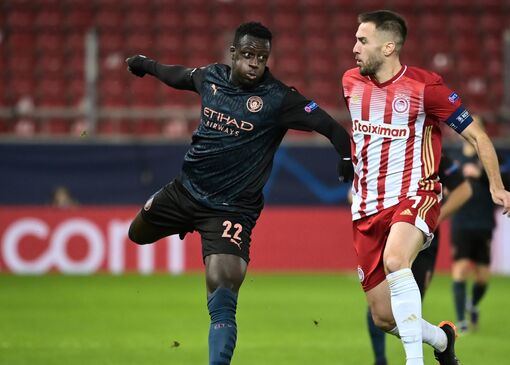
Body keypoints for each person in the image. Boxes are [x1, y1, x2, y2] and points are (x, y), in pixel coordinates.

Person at [125, 22, 353, 365]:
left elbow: (330, 126)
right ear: (233, 54)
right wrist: (145, 65)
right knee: (136, 235)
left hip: (230, 211)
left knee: (222, 290)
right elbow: (178, 75)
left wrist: (346, 157)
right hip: (184, 191)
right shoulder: (212, 77)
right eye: (247, 55)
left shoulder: (280, 99)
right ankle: (183, 224)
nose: (254, 63)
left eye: (262, 57)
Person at [342, 10, 510, 365]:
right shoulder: (350, 82)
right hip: (366, 207)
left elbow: (477, 134)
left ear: (389, 46)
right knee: (382, 316)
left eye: (363, 40)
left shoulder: (426, 88)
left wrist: (496, 187)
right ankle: (441, 339)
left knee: (396, 260)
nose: (354, 48)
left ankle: (413, 361)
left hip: (415, 195)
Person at [364, 155, 473, 365]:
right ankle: (382, 360)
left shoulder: (434, 154)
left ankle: (425, 352)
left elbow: (463, 190)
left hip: (422, 238)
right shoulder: (384, 148)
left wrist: (433, 217)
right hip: (387, 233)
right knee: (380, 310)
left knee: (408, 308)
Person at [450, 115, 510, 334]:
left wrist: (482, 175)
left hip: (484, 222)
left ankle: (472, 304)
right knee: (460, 268)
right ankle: (461, 321)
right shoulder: (453, 157)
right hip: (461, 221)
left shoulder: (494, 157)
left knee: (483, 277)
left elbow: (508, 183)